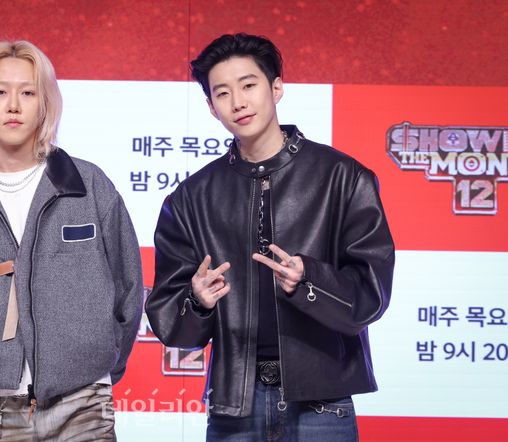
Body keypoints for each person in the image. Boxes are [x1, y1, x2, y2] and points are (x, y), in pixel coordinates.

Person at [146, 33, 394, 441]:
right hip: (235, 407)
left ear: (276, 88)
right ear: (211, 107)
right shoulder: (191, 198)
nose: (238, 102)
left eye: (248, 85)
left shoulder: (343, 178)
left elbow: (371, 296)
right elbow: (174, 328)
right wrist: (198, 301)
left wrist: (308, 280)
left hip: (322, 403)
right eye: (222, 93)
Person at [0, 40, 142, 441]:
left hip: (83, 398)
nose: (13, 106)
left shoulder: (88, 186)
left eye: (27, 92)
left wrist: (99, 361)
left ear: (46, 103)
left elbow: (127, 286)